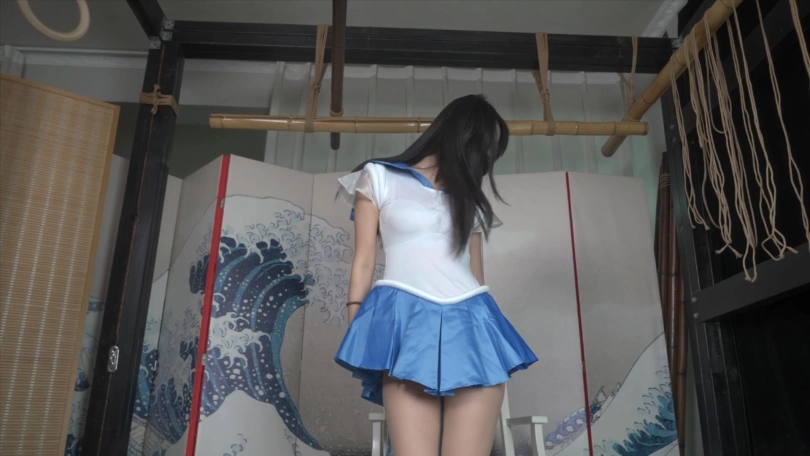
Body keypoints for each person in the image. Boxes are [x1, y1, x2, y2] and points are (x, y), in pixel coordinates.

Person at [334, 94, 537, 456]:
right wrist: (356, 322)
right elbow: (363, 259)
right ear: (461, 135)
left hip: (472, 325)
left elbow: (475, 272)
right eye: (484, 145)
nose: (487, 157)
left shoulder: (471, 198)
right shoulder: (378, 176)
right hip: (406, 323)